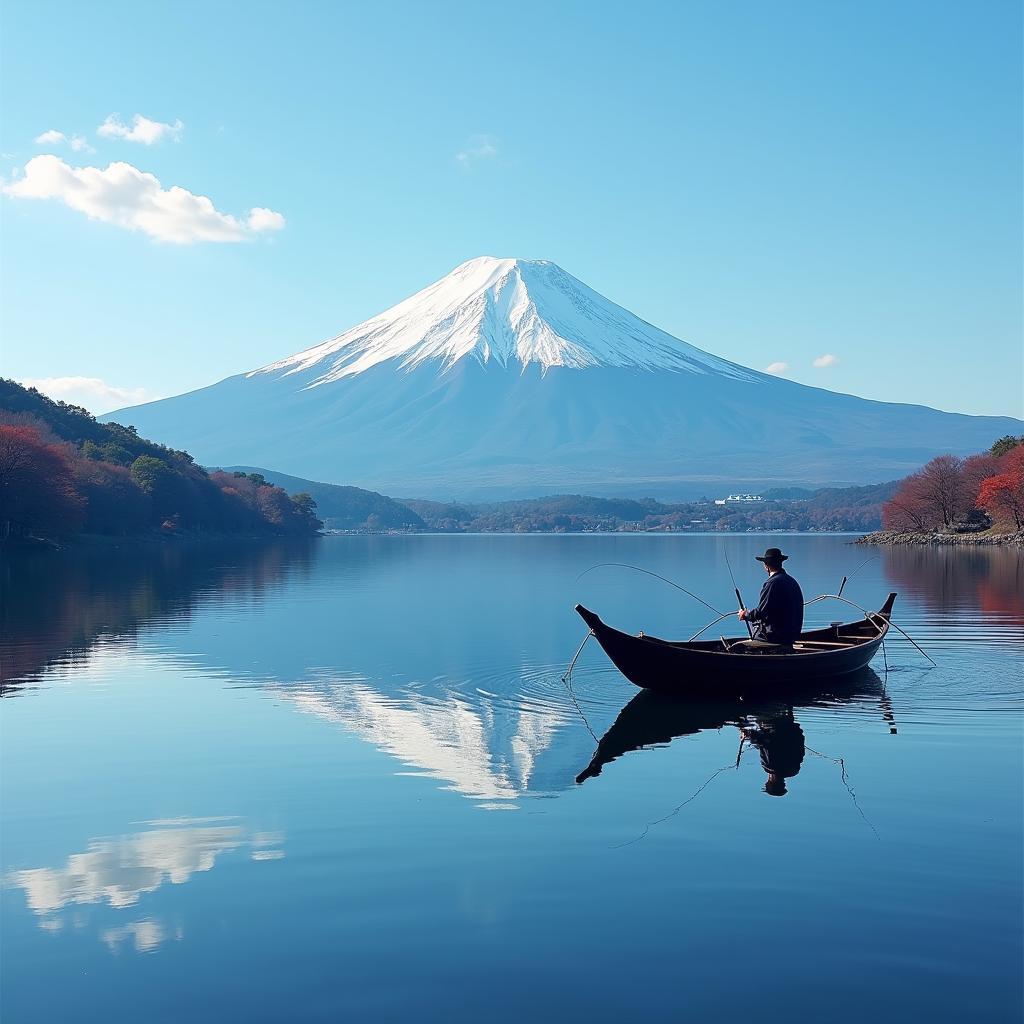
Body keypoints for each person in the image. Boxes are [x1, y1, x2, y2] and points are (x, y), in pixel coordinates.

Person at [737, 547, 803, 649]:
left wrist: (745, 614)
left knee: (743, 641)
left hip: (776, 637)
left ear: (766, 566)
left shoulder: (772, 583)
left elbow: (761, 612)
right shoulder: (792, 581)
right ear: (781, 563)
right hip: (791, 635)